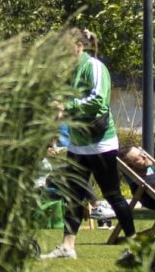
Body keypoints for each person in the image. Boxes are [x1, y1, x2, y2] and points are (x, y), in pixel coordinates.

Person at [53, 28, 142, 253]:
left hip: (100, 142)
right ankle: (67, 247)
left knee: (113, 196)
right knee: (73, 197)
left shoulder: (94, 66)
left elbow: (99, 101)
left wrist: (67, 106)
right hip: (77, 143)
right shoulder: (68, 72)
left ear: (78, 46)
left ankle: (134, 244)